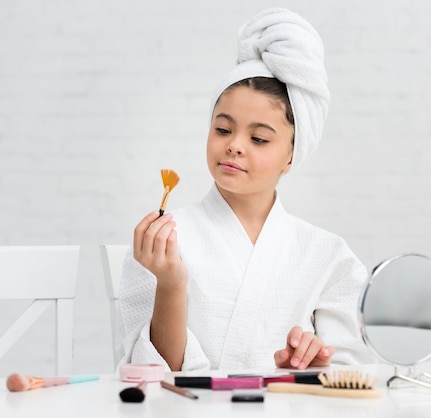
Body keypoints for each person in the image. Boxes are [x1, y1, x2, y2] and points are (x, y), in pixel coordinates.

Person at [116, 7, 374, 372]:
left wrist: (314, 365)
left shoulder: (329, 257)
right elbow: (154, 378)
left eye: (259, 138)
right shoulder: (164, 244)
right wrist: (170, 284)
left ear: (291, 155)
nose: (235, 145)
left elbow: (353, 374)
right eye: (223, 130)